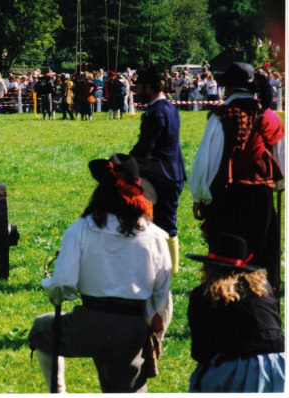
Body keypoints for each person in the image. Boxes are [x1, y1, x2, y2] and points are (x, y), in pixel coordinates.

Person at [28, 153, 172, 393]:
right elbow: (161, 301)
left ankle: (58, 392)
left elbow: (63, 283)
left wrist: (53, 289)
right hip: (131, 329)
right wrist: (156, 336)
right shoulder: (156, 236)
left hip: (88, 323)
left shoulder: (81, 229)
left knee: (42, 329)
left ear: (101, 194)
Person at [189, 62, 285, 298]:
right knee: (260, 254)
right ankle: (262, 302)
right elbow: (281, 162)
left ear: (228, 88)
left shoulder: (222, 116)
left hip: (228, 197)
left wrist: (200, 197)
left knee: (227, 257)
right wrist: (279, 186)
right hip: (261, 199)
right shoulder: (271, 117)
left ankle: (225, 300)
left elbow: (206, 162)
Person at [185, 233, 285, 393]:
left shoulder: (206, 293)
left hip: (239, 368)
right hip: (280, 364)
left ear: (209, 265)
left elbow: (201, 349)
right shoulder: (262, 288)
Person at [129, 67, 187, 274]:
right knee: (165, 220)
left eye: (139, 86)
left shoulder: (155, 113)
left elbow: (145, 146)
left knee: (164, 223)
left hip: (163, 174)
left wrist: (125, 161)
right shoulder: (169, 107)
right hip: (173, 172)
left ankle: (170, 270)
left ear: (149, 87)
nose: (136, 90)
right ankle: (168, 267)